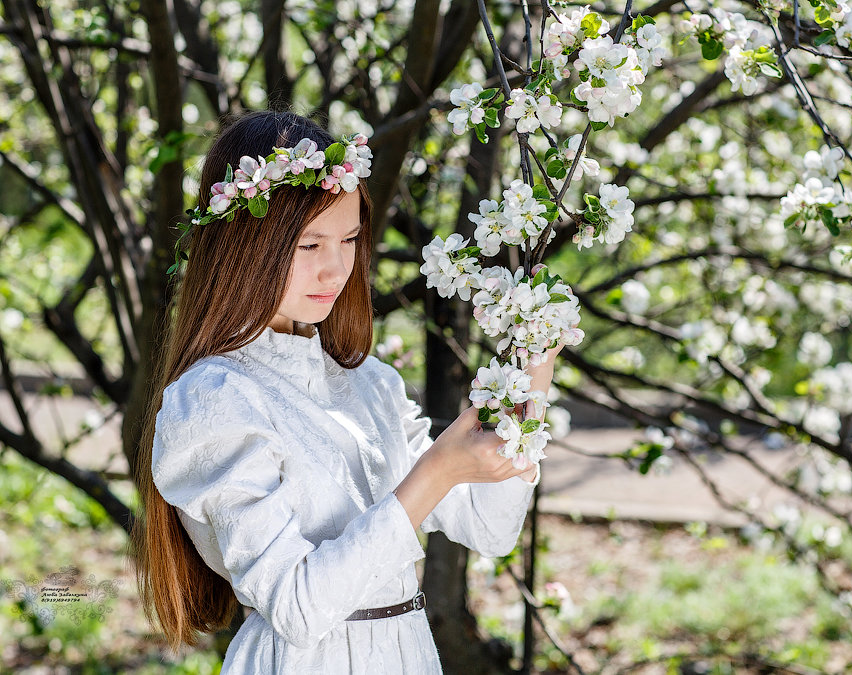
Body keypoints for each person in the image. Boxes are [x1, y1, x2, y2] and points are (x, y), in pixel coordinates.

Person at [133, 110, 560, 673]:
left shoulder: (370, 384)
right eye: (309, 246)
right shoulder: (216, 398)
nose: (335, 269)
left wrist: (533, 380)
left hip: (407, 654)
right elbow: (297, 607)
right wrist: (436, 472)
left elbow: (489, 526)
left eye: (350, 239)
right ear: (245, 245)